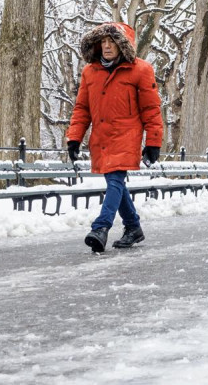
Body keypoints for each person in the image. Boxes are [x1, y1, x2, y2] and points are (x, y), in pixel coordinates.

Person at [66, 22, 163, 253]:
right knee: (114, 183)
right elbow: (82, 108)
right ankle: (133, 227)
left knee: (115, 180)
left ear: (123, 45)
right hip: (101, 136)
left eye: (112, 42)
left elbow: (151, 109)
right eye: (103, 42)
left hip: (127, 134)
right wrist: (74, 138)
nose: (107, 46)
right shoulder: (90, 71)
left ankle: (101, 227)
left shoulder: (141, 69)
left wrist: (153, 142)